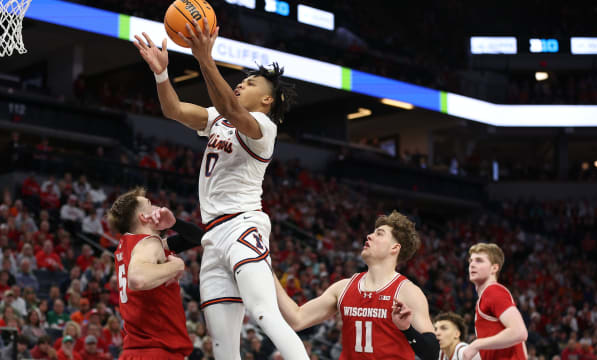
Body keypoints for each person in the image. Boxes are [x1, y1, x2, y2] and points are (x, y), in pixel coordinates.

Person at [133, 14, 306, 360]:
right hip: (212, 237)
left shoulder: (263, 128)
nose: (242, 84)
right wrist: (162, 74)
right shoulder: (219, 117)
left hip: (243, 226)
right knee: (223, 345)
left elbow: (228, 104)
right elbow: (175, 110)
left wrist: (204, 57)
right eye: (242, 81)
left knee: (264, 313)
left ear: (267, 100)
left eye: (251, 83)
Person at [275, 211, 440, 359]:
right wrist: (266, 270)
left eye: (379, 234)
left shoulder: (408, 292)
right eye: (372, 233)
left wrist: (407, 329)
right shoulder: (343, 287)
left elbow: (432, 352)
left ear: (394, 248)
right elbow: (297, 319)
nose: (369, 236)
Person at [107, 187, 195, 359]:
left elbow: (199, 237)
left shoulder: (129, 245)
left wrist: (174, 223)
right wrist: (176, 266)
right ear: (143, 217)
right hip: (157, 350)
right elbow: (138, 279)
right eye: (150, 204)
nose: (158, 208)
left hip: (136, 351)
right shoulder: (150, 243)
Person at [463, 243, 528, 360]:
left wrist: (476, 344)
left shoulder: (493, 291)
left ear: (494, 268)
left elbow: (519, 332)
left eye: (479, 261)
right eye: (471, 261)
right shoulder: (485, 297)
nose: (472, 264)